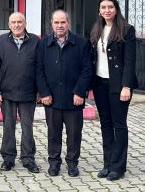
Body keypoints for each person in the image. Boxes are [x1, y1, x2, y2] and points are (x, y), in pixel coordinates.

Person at [36, 10, 92, 178]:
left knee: (74, 134)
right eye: (56, 23)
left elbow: (87, 70)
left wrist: (80, 92)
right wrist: (44, 92)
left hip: (74, 98)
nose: (59, 26)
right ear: (51, 24)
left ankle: (72, 163)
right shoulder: (44, 43)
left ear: (68, 23)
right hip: (51, 98)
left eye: (63, 22)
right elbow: (38, 70)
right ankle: (54, 163)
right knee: (53, 133)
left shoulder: (81, 43)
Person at [88, 0, 136, 181]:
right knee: (105, 124)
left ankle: (118, 167)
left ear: (116, 9)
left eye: (110, 7)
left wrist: (126, 86)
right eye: (103, 7)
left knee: (119, 125)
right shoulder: (96, 29)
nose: (107, 10)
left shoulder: (126, 30)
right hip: (100, 83)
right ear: (99, 10)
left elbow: (130, 61)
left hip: (118, 84)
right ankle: (107, 163)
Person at [0, 12, 40, 173]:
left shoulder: (34, 41)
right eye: (13, 22)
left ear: (25, 24)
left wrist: (40, 90)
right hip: (7, 91)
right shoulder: (1, 41)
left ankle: (28, 158)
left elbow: (40, 67)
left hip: (28, 92)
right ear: (9, 25)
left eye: (20, 22)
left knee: (27, 127)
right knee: (8, 126)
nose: (17, 25)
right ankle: (8, 158)